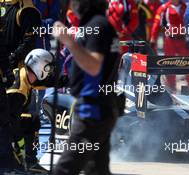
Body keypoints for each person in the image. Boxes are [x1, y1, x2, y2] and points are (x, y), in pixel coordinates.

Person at [52, 0, 121, 174]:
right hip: (100, 110)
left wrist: (68, 41)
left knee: (63, 170)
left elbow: (94, 65)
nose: (70, 5)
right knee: (97, 171)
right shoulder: (98, 25)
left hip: (93, 113)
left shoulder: (97, 25)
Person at [0, 0, 41, 170]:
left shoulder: (26, 9)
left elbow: (29, 42)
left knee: (27, 117)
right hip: (6, 71)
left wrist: (9, 60)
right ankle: (14, 161)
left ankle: (29, 159)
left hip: (20, 71)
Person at [6, 49, 59, 174]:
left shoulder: (24, 74)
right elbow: (11, 124)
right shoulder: (17, 91)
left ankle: (29, 160)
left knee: (32, 118)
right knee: (29, 120)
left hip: (7, 119)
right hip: (5, 125)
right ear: (39, 67)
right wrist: (20, 151)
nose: (50, 72)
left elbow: (45, 82)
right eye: (48, 68)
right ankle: (22, 161)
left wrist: (67, 80)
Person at [150, 0, 189, 93]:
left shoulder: (187, 7)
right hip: (170, 41)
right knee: (169, 65)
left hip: (184, 41)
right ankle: (171, 92)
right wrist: (153, 38)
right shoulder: (164, 8)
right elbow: (156, 24)